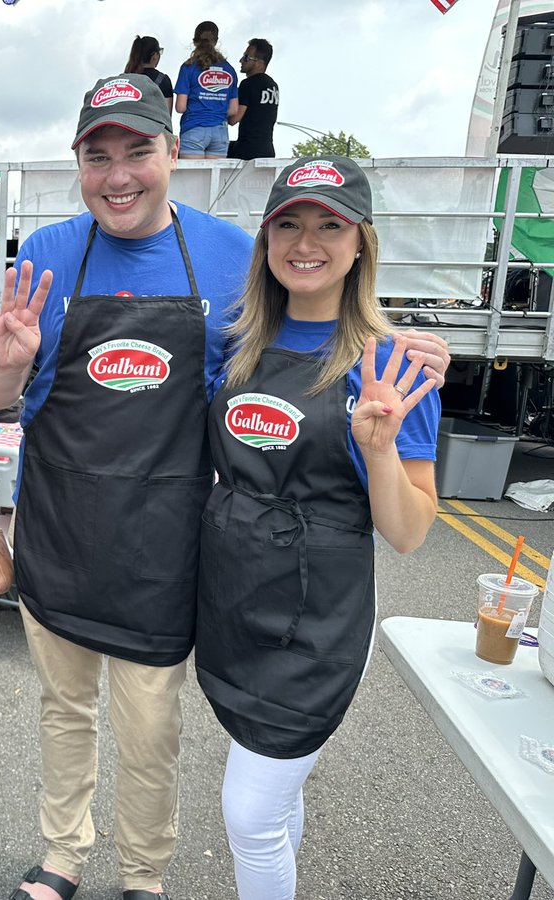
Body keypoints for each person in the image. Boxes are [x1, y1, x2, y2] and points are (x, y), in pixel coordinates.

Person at [0, 78, 451, 900]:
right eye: (99, 155)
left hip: (164, 549)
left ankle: (144, 876)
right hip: (58, 533)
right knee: (62, 713)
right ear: (78, 163)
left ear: (174, 153)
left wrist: (401, 344)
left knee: (150, 732)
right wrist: (4, 369)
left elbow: (312, 322)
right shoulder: (46, 255)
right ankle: (62, 856)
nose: (118, 174)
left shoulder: (233, 257)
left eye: (138, 151)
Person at [195, 157, 439, 899]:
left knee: (247, 811)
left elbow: (409, 532)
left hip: (320, 620)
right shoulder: (235, 346)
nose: (308, 241)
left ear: (360, 242)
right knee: (275, 798)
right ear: (266, 240)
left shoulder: (394, 363)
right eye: (289, 223)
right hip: (235, 603)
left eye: (330, 224)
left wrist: (379, 447)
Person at [174, 20, 239, 159]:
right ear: (216, 41)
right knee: (215, 180)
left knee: (192, 180)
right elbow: (234, 110)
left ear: (195, 41)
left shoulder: (188, 67)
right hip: (220, 131)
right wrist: (215, 110)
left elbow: (180, 107)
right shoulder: (229, 70)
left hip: (193, 128)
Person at [227, 38, 279, 161]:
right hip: (267, 149)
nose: (241, 60)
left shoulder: (248, 84)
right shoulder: (273, 85)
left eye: (246, 57)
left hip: (247, 150)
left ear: (259, 63)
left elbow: (234, 119)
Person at [124, 35, 173, 114]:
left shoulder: (125, 78)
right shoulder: (163, 80)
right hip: (152, 125)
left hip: (127, 123)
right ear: (154, 56)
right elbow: (167, 115)